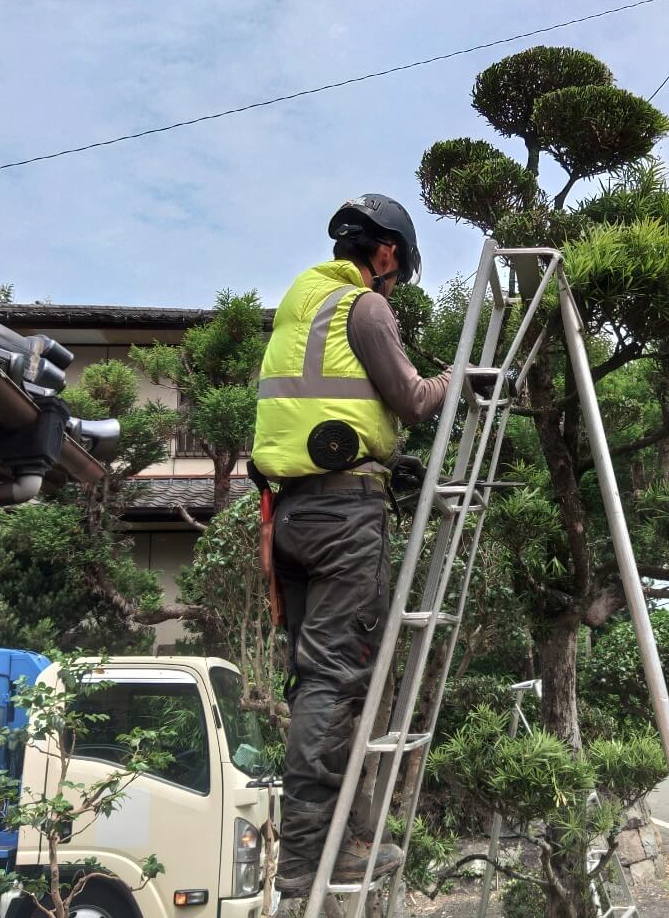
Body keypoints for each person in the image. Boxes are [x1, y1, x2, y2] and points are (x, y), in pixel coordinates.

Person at [252, 194, 451, 897]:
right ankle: (317, 856)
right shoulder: (363, 308)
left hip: (291, 514)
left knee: (320, 681)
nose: (395, 284)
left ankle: (344, 838)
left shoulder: (299, 307)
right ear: (387, 252)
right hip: (343, 520)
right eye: (400, 270)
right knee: (338, 680)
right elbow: (417, 401)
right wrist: (459, 378)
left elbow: (325, 409)